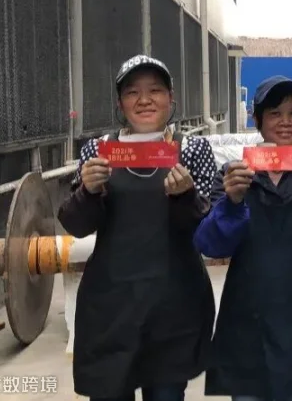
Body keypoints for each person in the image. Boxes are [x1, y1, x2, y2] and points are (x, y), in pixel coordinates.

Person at [57, 55, 218, 401]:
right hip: (112, 308)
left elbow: (209, 231)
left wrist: (186, 197)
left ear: (171, 98)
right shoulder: (98, 151)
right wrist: (88, 191)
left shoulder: (192, 150)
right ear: (120, 103)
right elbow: (76, 224)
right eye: (132, 92)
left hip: (174, 307)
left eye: (155, 90)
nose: (144, 100)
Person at [193, 75, 292, 401]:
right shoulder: (235, 173)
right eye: (274, 113)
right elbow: (211, 245)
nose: (285, 121)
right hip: (247, 316)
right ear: (257, 120)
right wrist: (233, 203)